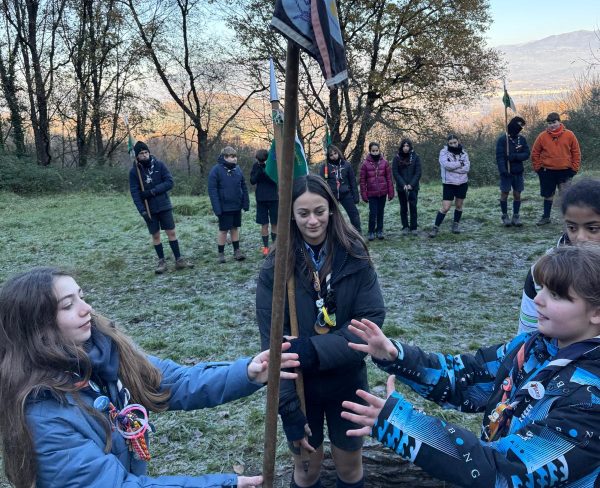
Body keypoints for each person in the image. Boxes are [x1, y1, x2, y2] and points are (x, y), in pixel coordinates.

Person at [0, 267, 300, 488]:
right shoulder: (45, 414)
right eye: (68, 305)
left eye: (82, 296)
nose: (86, 308)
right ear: (38, 328)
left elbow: (171, 382)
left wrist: (247, 373)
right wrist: (224, 484)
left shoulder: (103, 354)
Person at [342, 245, 600, 487]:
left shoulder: (591, 401)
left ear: (596, 312)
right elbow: (468, 379)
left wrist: (402, 424)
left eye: (555, 295)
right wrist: (397, 356)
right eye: (541, 288)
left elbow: (504, 471)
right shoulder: (531, 347)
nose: (538, 299)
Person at [256, 175, 385, 488]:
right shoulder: (276, 267)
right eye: (303, 213)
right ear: (291, 215)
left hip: (347, 380)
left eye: (319, 211)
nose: (312, 221)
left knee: (349, 467)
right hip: (302, 387)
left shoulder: (354, 255)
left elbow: (368, 323)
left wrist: (312, 350)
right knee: (306, 470)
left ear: (331, 209)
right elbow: (273, 348)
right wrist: (288, 409)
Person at [518, 177, 600, 333]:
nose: (580, 237)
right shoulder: (544, 271)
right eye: (572, 228)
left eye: (592, 229)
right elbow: (528, 333)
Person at [129, 141, 194, 274]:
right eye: (141, 153)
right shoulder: (134, 172)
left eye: (146, 152)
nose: (144, 155)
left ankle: (179, 260)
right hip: (149, 209)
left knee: (171, 233)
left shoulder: (159, 165)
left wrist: (153, 191)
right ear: (137, 156)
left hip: (164, 205)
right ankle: (161, 262)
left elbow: (169, 182)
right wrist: (142, 211)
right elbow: (135, 194)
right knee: (156, 235)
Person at [531, 111, 581, 226]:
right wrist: (538, 169)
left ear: (559, 122)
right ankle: (546, 217)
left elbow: (576, 152)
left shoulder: (570, 135)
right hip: (547, 172)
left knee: (565, 195)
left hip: (565, 171)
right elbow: (535, 153)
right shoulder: (542, 136)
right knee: (548, 195)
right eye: (549, 123)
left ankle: (569, 219)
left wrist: (574, 169)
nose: (552, 125)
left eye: (554, 122)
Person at [208, 146, 250, 263]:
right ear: (225, 157)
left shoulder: (238, 170)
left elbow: (244, 186)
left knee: (234, 228)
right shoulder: (216, 170)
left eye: (235, 156)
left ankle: (237, 251)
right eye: (232, 156)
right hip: (224, 207)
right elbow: (212, 191)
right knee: (223, 230)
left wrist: (245, 202)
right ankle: (221, 254)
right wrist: (217, 208)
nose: (235, 158)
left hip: (236, 205)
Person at [428, 134, 470, 237]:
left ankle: (455, 225)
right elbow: (447, 166)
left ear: (458, 141)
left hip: (462, 183)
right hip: (449, 184)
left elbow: (467, 168)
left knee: (459, 205)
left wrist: (454, 168)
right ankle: (435, 227)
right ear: (448, 143)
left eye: (455, 142)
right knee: (446, 207)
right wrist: (460, 164)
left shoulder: (464, 153)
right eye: (451, 143)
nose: (453, 144)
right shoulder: (443, 152)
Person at [318, 145, 361, 232]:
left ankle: (357, 232)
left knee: (354, 214)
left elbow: (352, 181)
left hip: (346, 194)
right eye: (331, 155)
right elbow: (321, 182)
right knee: (331, 216)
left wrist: (355, 196)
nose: (334, 156)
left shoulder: (346, 165)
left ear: (338, 153)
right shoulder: (325, 167)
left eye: (335, 153)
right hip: (332, 195)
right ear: (328, 156)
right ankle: (332, 234)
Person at [496, 116, 530, 227]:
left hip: (518, 172)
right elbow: (499, 157)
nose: (520, 128)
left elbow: (527, 154)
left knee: (517, 194)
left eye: (522, 126)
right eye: (519, 125)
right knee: (504, 193)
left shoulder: (522, 139)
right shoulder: (502, 140)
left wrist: (515, 156)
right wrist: (503, 170)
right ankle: (505, 216)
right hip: (506, 173)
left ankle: (516, 216)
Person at [359, 142, 394, 240]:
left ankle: (379, 230)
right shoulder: (365, 164)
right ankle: (371, 231)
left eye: (376, 150)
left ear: (379, 150)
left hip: (383, 192)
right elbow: (362, 181)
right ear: (370, 151)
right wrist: (363, 194)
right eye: (373, 151)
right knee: (373, 213)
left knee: (380, 212)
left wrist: (391, 192)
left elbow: (389, 178)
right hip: (371, 193)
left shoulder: (384, 162)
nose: (375, 152)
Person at [250, 148, 278, 257]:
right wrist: (259, 171)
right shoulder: (255, 166)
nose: (260, 161)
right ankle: (265, 249)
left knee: (275, 223)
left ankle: (275, 248)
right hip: (261, 199)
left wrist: (266, 171)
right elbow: (252, 181)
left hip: (274, 198)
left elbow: (275, 180)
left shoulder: (273, 166)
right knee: (264, 224)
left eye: (262, 160)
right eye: (259, 160)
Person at [391, 139, 422, 236]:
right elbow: (395, 172)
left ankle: (414, 227)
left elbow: (418, 172)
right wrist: (403, 184)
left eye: (407, 146)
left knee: (413, 206)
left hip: (413, 187)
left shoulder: (416, 157)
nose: (405, 148)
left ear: (410, 147)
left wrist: (411, 185)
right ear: (401, 147)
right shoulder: (396, 158)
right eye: (404, 146)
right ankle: (405, 226)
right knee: (403, 207)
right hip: (401, 187)